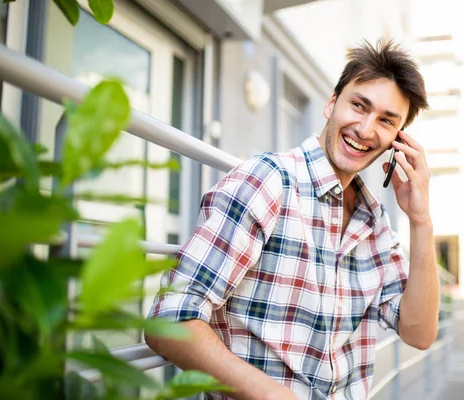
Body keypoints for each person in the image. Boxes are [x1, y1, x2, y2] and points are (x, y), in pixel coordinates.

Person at [146, 39, 439, 400]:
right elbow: (169, 321)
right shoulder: (267, 181)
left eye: (385, 121)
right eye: (358, 106)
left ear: (398, 141)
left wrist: (421, 220)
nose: (365, 129)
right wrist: (273, 395)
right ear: (332, 103)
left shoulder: (374, 221)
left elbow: (419, 333)